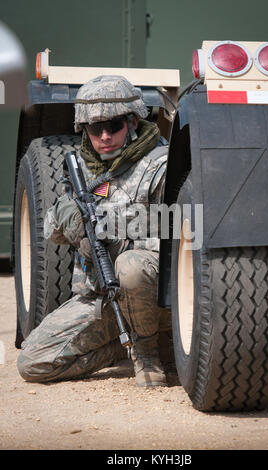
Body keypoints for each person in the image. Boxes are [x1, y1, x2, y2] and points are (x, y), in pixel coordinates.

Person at [17, 75, 173, 387]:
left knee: (131, 266)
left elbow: (178, 237)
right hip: (101, 297)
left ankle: (146, 353)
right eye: (94, 127)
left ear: (132, 121)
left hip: (154, 295)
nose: (104, 135)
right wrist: (69, 217)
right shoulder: (85, 167)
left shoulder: (161, 166)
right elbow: (52, 231)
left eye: (113, 125)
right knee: (32, 363)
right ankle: (124, 342)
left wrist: (114, 237)